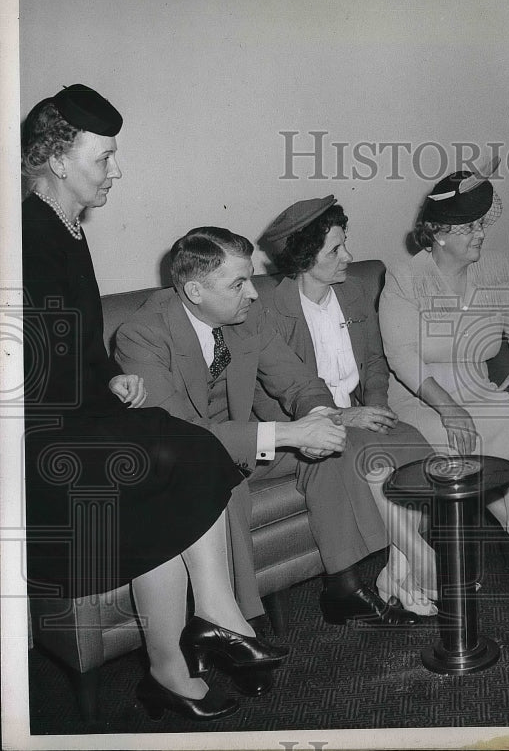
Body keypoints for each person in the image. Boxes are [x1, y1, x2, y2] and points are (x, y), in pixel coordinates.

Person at [21, 84, 287, 722]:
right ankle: (215, 617)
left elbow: (78, 343)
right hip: (39, 444)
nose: (116, 170)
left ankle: (172, 668)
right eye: (102, 158)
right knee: (182, 449)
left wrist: (113, 376)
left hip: (81, 416)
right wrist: (96, 390)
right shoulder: (24, 235)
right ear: (57, 161)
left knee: (181, 457)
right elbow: (31, 374)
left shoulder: (65, 227)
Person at [115, 227, 419, 627]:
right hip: (188, 456)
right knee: (222, 487)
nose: (254, 293)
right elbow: (182, 436)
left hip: (244, 438)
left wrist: (320, 417)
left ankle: (343, 587)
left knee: (335, 445)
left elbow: (297, 380)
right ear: (194, 292)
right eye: (238, 284)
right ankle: (236, 626)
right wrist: (292, 434)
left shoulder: (247, 315)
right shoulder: (143, 335)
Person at [256, 196, 438, 615]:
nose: (348, 257)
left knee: (411, 441)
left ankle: (398, 571)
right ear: (303, 259)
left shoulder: (353, 293)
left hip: (359, 411)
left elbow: (374, 362)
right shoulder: (270, 310)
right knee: (358, 451)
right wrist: (343, 416)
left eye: (345, 244)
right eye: (334, 250)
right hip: (304, 425)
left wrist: (375, 406)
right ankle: (418, 557)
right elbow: (268, 396)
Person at [380, 163, 509, 580]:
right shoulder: (405, 279)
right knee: (460, 433)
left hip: (476, 389)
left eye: (480, 225)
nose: (480, 234)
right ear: (439, 234)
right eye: (469, 228)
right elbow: (403, 357)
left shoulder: (491, 269)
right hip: (421, 396)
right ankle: (458, 555)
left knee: (502, 412)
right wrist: (449, 408)